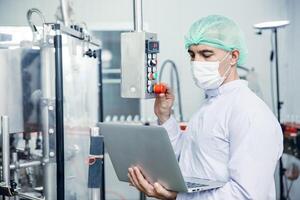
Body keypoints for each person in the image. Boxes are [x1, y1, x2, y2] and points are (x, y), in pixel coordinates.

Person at [128, 15, 283, 200]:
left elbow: (246, 195)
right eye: (192, 55)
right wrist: (165, 116)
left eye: (206, 54)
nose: (197, 62)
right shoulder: (210, 104)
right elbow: (187, 159)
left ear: (233, 56)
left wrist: (178, 197)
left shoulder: (250, 113)